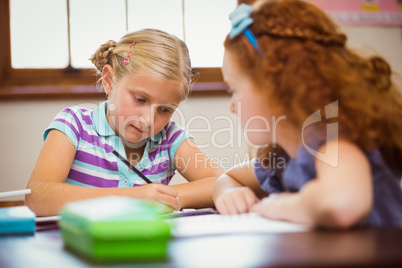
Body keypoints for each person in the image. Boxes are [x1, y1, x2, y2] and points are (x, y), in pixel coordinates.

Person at [213, 0, 402, 229]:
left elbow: (344, 203)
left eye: (234, 90)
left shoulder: (330, 139)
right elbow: (227, 178)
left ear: (276, 86)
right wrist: (228, 193)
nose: (232, 106)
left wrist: (279, 205)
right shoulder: (284, 154)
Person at [26, 29, 223, 216]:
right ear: (109, 81)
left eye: (165, 110)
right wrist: (134, 198)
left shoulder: (170, 138)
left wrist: (159, 198)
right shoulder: (74, 125)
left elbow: (225, 182)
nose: (148, 120)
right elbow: (37, 196)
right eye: (140, 99)